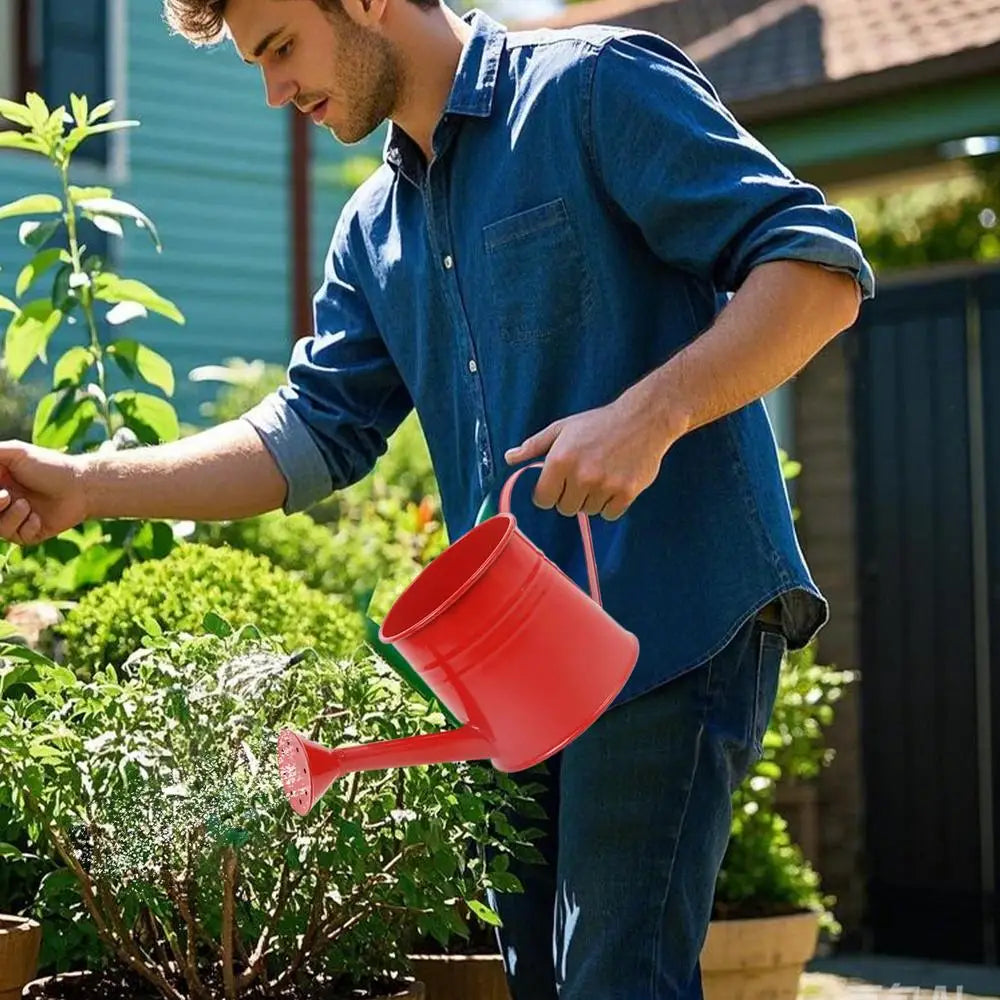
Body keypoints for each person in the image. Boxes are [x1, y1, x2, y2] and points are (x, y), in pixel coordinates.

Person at [0, 0, 875, 996]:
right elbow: (306, 434)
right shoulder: (374, 229)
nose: (274, 89)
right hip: (513, 658)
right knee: (532, 977)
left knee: (613, 976)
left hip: (672, 610)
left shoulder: (592, 91)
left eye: (279, 48)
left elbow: (817, 268)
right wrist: (86, 485)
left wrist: (650, 414)